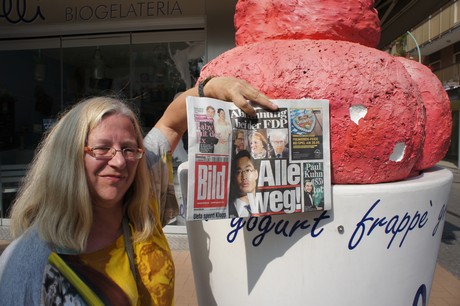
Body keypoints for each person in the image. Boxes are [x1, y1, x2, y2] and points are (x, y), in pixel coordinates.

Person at [0, 76, 277, 305]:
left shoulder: (138, 188)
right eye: (101, 148)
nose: (119, 161)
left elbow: (171, 123)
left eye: (128, 148)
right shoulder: (28, 262)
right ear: (68, 157)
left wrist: (210, 87)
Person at [229, 150, 259, 217]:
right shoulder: (227, 210)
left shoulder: (269, 209)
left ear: (256, 174)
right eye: (239, 172)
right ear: (234, 177)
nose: (244, 177)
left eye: (248, 170)